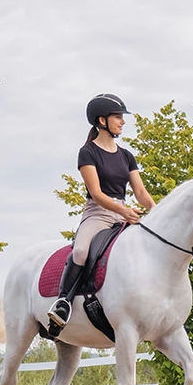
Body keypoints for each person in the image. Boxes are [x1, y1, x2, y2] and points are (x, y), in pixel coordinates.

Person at [46, 93, 157, 330]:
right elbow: (96, 193)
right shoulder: (88, 152)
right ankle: (63, 302)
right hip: (98, 213)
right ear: (102, 121)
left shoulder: (127, 155)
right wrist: (123, 210)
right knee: (81, 252)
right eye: (118, 117)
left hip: (124, 214)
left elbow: (140, 192)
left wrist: (157, 212)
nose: (123, 121)